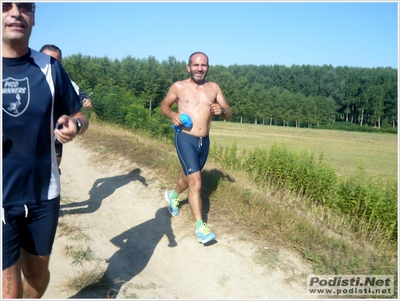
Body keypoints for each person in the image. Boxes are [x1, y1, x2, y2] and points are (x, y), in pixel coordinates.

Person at [2, 2, 89, 298]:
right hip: (2, 198)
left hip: (44, 194)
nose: (15, 12)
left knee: (37, 280)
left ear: (34, 17)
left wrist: (75, 124)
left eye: (24, 6)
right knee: (9, 292)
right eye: (5, 6)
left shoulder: (50, 68)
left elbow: (80, 115)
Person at [160, 51, 231, 245]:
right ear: (188, 67)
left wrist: (222, 110)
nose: (200, 69)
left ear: (208, 67)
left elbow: (229, 112)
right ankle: (201, 228)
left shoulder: (214, 88)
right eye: (196, 65)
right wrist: (172, 115)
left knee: (190, 176)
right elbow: (164, 106)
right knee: (197, 182)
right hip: (185, 138)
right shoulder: (179, 86)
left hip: (204, 141)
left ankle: (173, 195)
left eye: (204, 65)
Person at [39, 44, 93, 174]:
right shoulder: (25, 77)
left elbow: (81, 98)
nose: (52, 64)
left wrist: (87, 103)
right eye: (47, 59)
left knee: (55, 161)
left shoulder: (65, 81)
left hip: (57, 131)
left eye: (56, 62)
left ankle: (55, 173)